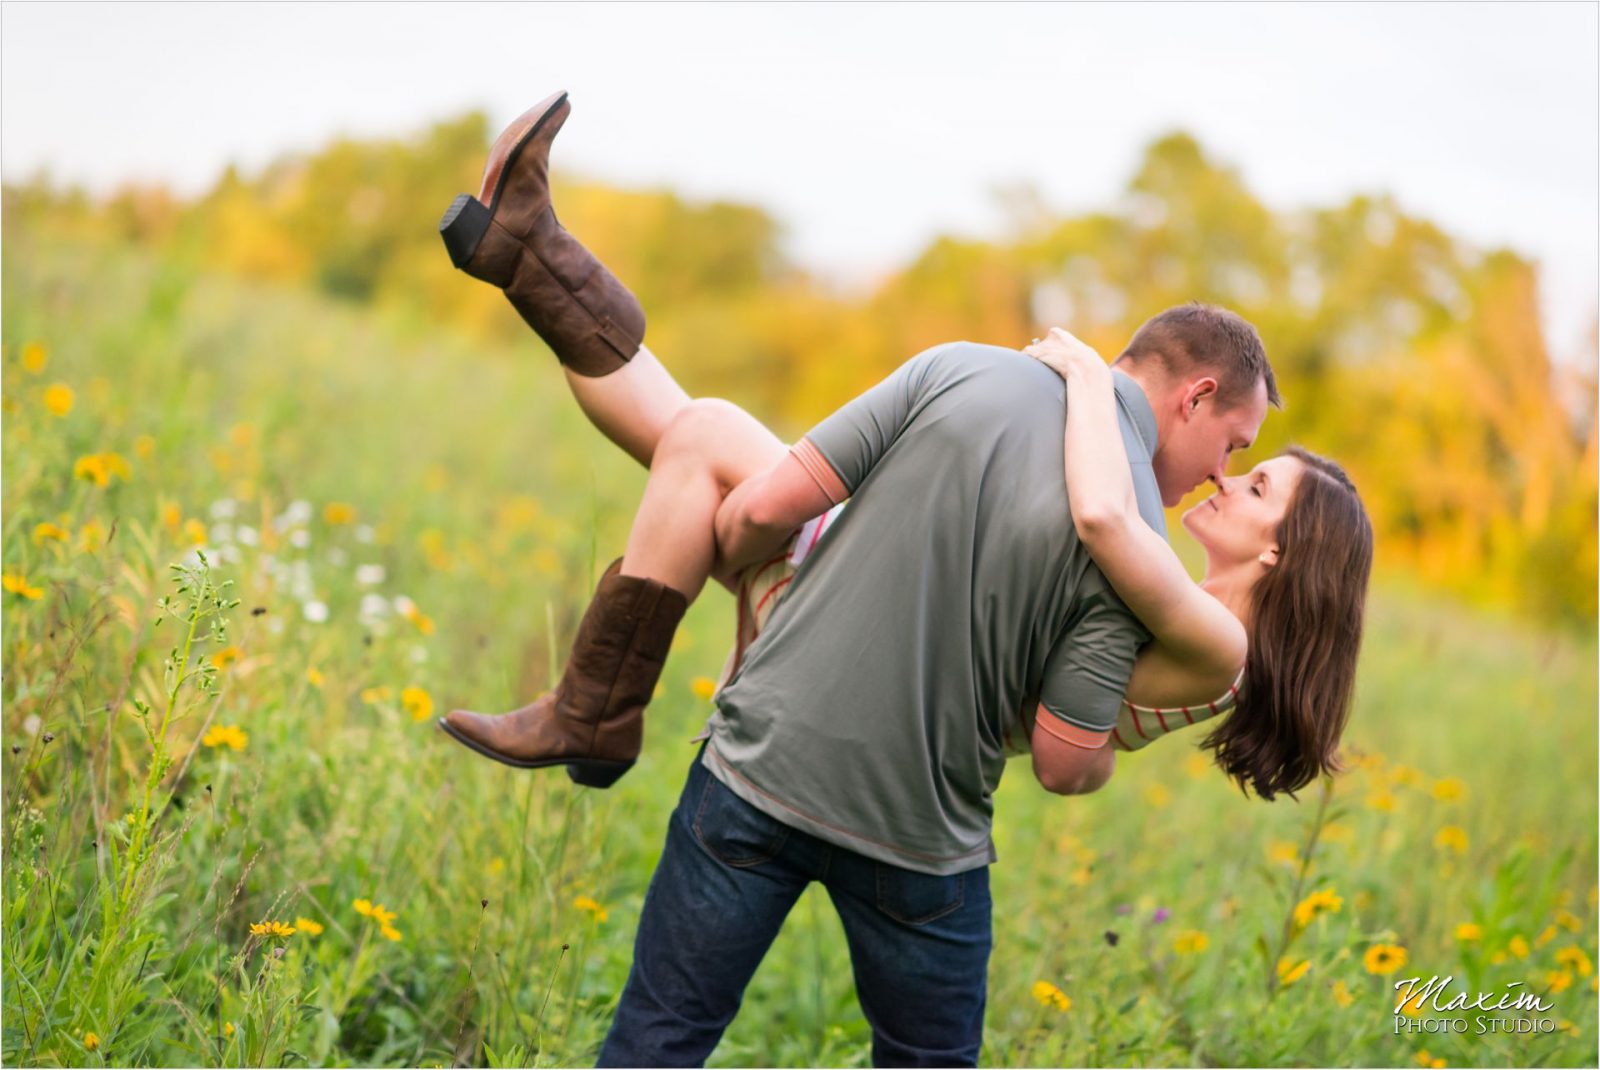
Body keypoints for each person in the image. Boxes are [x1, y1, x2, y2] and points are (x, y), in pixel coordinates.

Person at [434, 92, 1372, 1065]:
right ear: (1197, 395)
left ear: (1279, 552)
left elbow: (1095, 540)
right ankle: (531, 252)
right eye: (1238, 449)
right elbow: (1087, 533)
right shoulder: (1156, 578)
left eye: (1251, 473)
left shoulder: (1185, 608)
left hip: (862, 675)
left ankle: (596, 691)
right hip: (909, 745)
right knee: (697, 429)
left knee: (699, 438)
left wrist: (1090, 376)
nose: (1224, 472)